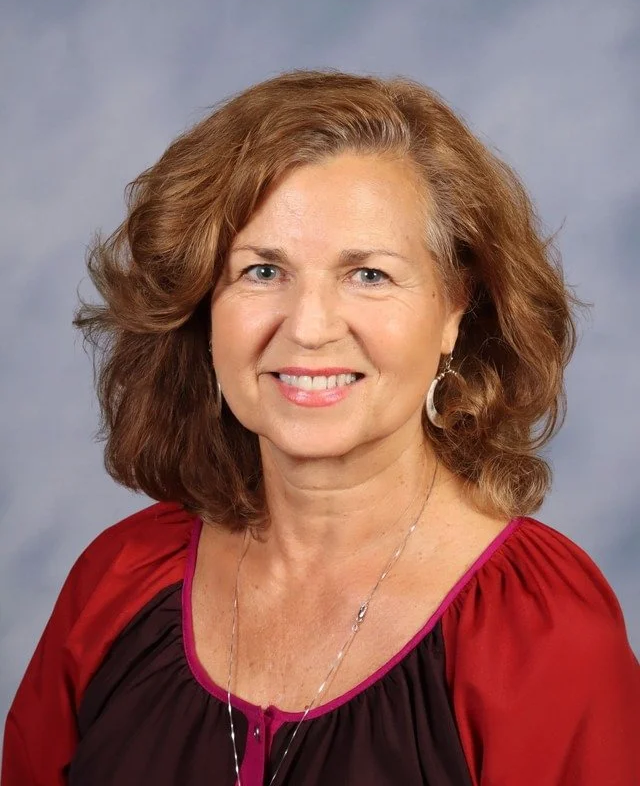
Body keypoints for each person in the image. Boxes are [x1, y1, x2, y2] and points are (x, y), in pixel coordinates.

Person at [2, 70, 638, 786]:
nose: (307, 328)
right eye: (263, 270)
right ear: (202, 304)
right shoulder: (116, 582)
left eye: (367, 274)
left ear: (456, 306)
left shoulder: (539, 631)